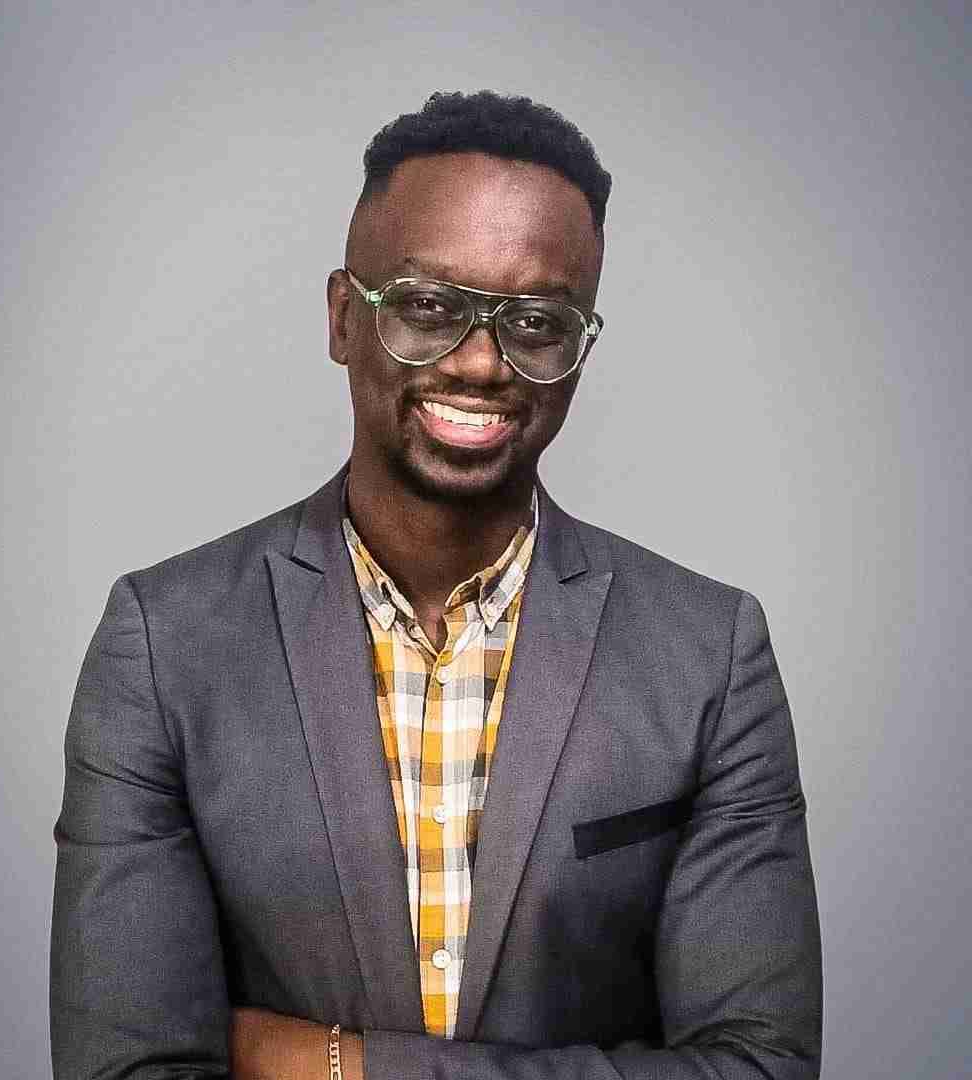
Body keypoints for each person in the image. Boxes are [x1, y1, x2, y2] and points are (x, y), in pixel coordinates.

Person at [50, 90, 822, 1080]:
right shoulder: (166, 644)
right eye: (427, 306)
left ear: (580, 348)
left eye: (536, 321)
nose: (482, 362)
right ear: (343, 317)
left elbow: (762, 1070)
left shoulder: (709, 654)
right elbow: (126, 1069)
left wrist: (342, 1066)